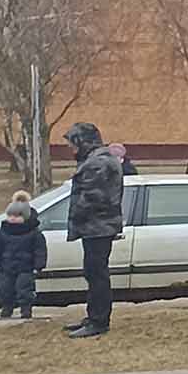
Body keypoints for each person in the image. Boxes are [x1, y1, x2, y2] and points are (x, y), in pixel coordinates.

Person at [59, 118, 124, 339]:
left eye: (73, 143)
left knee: (97, 275)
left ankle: (98, 321)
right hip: (97, 227)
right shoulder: (98, 159)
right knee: (93, 273)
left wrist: (76, 216)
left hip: (98, 227)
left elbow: (92, 197)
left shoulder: (98, 163)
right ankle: (93, 317)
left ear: (84, 141)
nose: (71, 149)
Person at [0, 189, 47, 321]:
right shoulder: (3, 232)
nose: (12, 218)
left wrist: (39, 264)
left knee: (24, 289)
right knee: (4, 289)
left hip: (25, 268)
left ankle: (26, 309)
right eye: (10, 215)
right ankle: (7, 307)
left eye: (17, 216)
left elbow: (40, 250)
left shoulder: (34, 233)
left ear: (25, 216)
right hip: (5, 268)